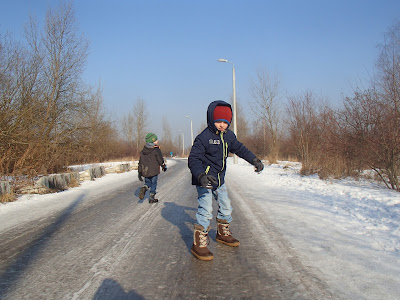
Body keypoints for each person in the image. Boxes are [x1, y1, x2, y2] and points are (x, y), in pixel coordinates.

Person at [188, 100, 264, 261]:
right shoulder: (203, 138)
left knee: (226, 206)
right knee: (206, 208)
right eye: (218, 122)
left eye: (225, 122)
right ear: (211, 120)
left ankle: (222, 233)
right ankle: (198, 242)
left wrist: (254, 160)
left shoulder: (229, 136)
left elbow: (241, 149)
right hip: (205, 180)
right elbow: (193, 159)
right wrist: (200, 175)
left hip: (219, 180)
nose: (222, 125)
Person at [138, 133, 167, 203]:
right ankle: (151, 198)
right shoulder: (156, 150)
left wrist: (139, 172)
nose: (157, 141)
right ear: (153, 141)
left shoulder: (143, 151)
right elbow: (160, 159)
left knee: (148, 183)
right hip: (154, 170)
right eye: (156, 140)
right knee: (154, 184)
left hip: (146, 170)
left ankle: (144, 188)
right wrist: (163, 166)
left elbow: (140, 162)